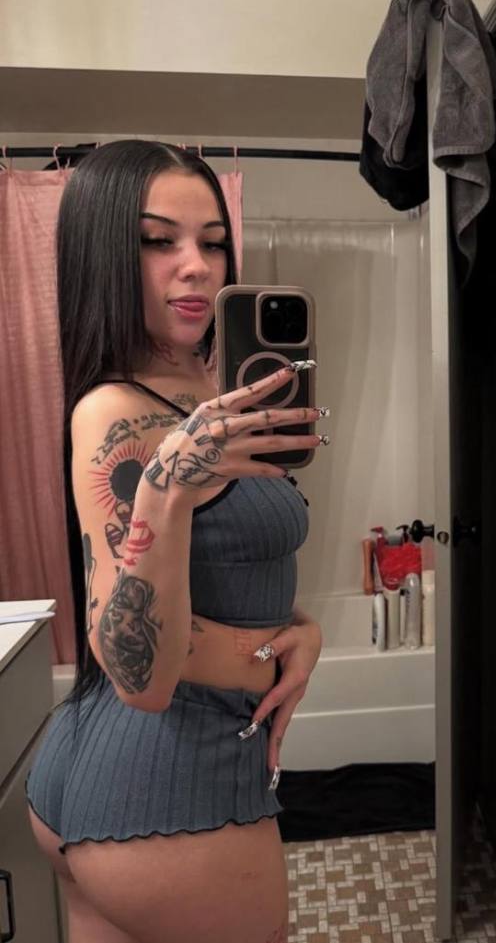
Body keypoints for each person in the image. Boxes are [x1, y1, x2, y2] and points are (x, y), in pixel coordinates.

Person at [24, 139, 328, 943]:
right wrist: (165, 485)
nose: (196, 265)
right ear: (103, 254)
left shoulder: (206, 391)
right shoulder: (114, 410)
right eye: (159, 241)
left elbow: (222, 572)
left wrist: (299, 629)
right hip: (172, 778)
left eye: (212, 241)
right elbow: (139, 675)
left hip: (103, 776)